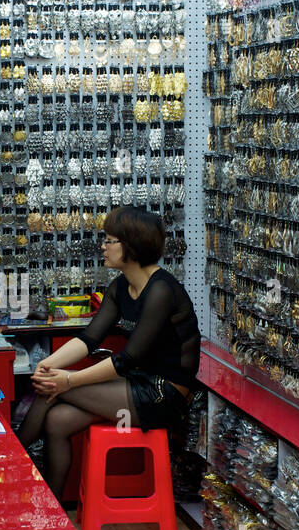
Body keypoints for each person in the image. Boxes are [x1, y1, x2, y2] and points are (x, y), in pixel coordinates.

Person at [17, 207, 200, 501]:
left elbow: (127, 360)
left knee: (50, 388)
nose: (103, 246)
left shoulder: (162, 291)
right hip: (134, 384)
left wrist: (68, 381)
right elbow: (89, 338)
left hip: (163, 393)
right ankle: (52, 511)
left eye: (110, 240)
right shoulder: (120, 287)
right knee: (57, 421)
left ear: (131, 245)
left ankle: (11, 462)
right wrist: (47, 364)